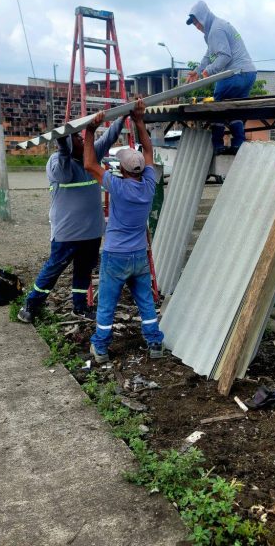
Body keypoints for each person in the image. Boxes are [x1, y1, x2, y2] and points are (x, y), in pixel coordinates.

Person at [17, 115, 125, 324]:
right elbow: (64, 176)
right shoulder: (57, 163)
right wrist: (63, 146)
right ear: (66, 142)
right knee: (53, 270)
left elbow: (110, 137)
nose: (82, 140)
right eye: (76, 137)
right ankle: (31, 304)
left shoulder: (90, 156)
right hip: (68, 233)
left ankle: (80, 306)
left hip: (92, 231)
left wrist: (125, 115)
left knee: (83, 271)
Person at [82, 99, 164, 363]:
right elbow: (149, 152)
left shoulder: (117, 186)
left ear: (124, 170)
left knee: (107, 304)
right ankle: (154, 343)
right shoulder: (148, 184)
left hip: (116, 255)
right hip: (139, 254)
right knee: (146, 302)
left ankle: (102, 348)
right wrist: (139, 121)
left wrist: (90, 132)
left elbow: (88, 165)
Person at [185, 0, 257, 155]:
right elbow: (209, 54)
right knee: (234, 109)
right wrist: (198, 70)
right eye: (194, 24)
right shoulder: (214, 29)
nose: (197, 27)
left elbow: (224, 56)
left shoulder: (216, 30)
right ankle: (238, 143)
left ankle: (217, 145)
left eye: (197, 22)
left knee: (217, 104)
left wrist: (208, 71)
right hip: (249, 74)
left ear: (203, 17)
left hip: (236, 74)